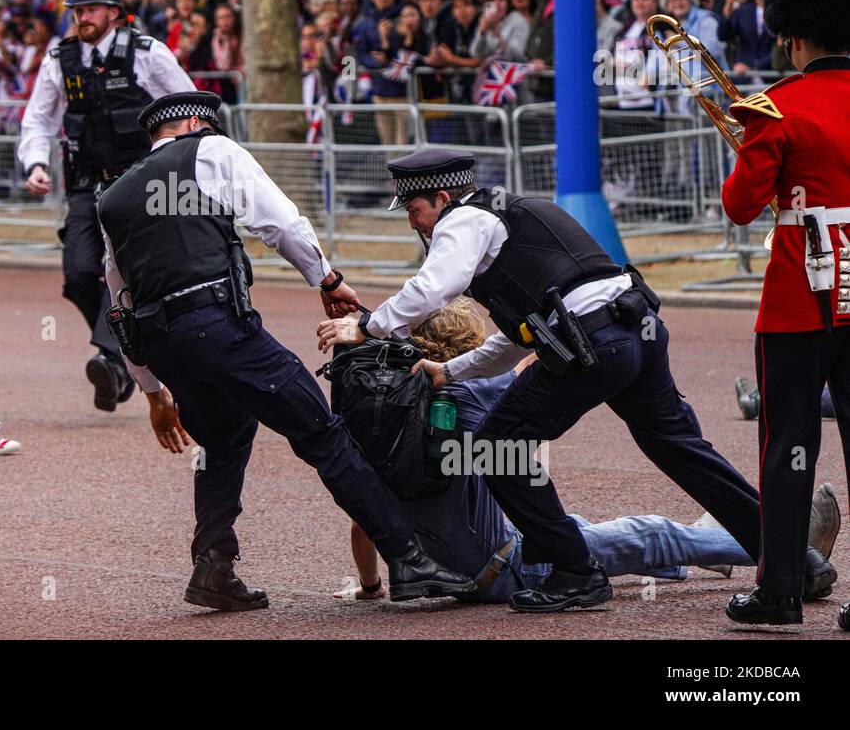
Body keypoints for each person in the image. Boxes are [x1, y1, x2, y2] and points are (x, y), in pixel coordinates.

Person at [316, 151, 835, 613]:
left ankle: (574, 572)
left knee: (497, 446)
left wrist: (366, 324)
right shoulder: (516, 215)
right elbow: (522, 338)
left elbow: (434, 287)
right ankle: (793, 563)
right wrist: (451, 369)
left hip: (596, 343)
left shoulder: (465, 220)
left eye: (414, 212)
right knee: (683, 450)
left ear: (442, 198)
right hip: (635, 328)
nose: (416, 226)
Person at [97, 90, 476, 610]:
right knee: (322, 433)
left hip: (163, 345)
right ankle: (409, 559)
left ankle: (214, 564)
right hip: (218, 326)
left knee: (225, 439)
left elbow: (117, 295)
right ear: (193, 122)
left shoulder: (113, 196)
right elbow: (278, 221)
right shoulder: (213, 151)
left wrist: (151, 389)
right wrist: (326, 277)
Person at [332, 300, 842, 602]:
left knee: (585, 527)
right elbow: (532, 369)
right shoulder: (474, 390)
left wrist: (373, 587)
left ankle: (716, 542)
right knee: (647, 533)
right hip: (506, 565)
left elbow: (364, 523)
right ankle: (790, 551)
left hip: (450, 570)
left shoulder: (394, 418)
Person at [720, 0, 850, 626]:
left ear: (792, 31)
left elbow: (741, 206)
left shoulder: (775, 107)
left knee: (786, 447)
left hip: (801, 300)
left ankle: (779, 590)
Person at [17, 0, 194, 412]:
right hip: (84, 185)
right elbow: (38, 119)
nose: (83, 17)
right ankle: (125, 347)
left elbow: (191, 109)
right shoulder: (61, 58)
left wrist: (184, 167)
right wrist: (35, 163)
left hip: (140, 187)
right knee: (79, 274)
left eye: (92, 7)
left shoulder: (148, 52)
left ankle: (112, 362)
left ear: (115, 11)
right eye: (77, 8)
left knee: (129, 275)